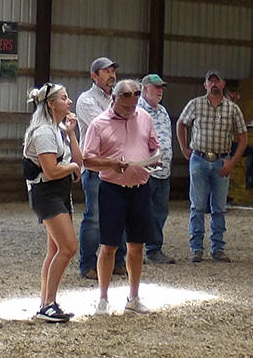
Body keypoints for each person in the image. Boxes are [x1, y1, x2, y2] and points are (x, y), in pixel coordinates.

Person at [82, 79, 163, 313]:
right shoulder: (99, 124)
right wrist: (111, 163)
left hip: (140, 188)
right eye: (126, 106)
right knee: (108, 245)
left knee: (136, 245)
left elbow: (154, 145)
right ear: (114, 99)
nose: (130, 110)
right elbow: (87, 159)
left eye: (134, 106)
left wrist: (155, 158)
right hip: (112, 189)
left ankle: (134, 297)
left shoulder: (144, 118)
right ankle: (103, 299)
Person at [23, 83, 83, 322]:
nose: (69, 102)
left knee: (55, 250)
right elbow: (51, 170)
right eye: (64, 98)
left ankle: (47, 303)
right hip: (46, 192)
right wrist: (72, 167)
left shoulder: (58, 129)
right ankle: (47, 304)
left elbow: (79, 162)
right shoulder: (44, 133)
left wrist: (72, 134)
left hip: (60, 191)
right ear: (50, 104)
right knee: (68, 248)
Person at [174, 69, 247, 264]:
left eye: (217, 81)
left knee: (219, 208)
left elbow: (243, 138)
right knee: (197, 206)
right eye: (210, 81)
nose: (214, 84)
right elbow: (181, 123)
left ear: (223, 84)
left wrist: (232, 162)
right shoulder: (195, 104)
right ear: (205, 84)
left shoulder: (233, 109)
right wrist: (184, 148)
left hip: (222, 160)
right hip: (199, 158)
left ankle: (218, 248)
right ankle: (196, 248)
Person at [73, 57, 117, 281]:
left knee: (119, 215)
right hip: (95, 167)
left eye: (112, 71)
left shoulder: (117, 99)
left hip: (115, 165)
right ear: (94, 75)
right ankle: (88, 264)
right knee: (95, 217)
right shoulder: (86, 100)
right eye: (106, 71)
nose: (111, 75)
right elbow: (102, 129)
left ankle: (118, 262)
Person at [137, 74, 174, 264]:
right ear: (145, 89)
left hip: (163, 171)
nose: (160, 91)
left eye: (162, 88)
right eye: (156, 87)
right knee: (139, 210)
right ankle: (134, 250)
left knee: (160, 211)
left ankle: (154, 249)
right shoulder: (137, 111)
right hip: (145, 171)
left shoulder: (163, 111)